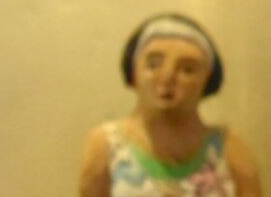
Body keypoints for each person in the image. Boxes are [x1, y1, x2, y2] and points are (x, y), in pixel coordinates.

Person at [79, 13, 261, 197]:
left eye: (187, 69)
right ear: (134, 73)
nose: (167, 77)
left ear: (207, 81)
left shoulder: (229, 151)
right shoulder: (107, 146)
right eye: (153, 65)